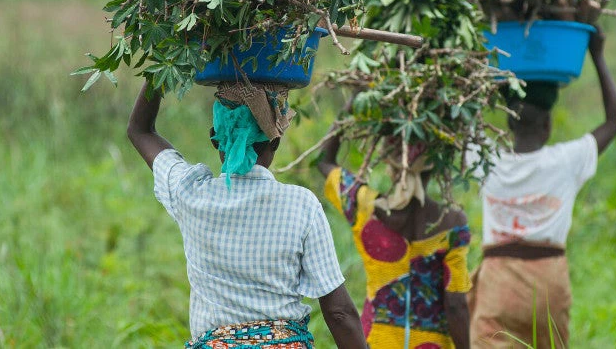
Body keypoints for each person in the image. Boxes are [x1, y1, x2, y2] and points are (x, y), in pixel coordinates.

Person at [126, 79, 366, 349]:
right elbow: (339, 313)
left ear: (215, 139)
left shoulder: (190, 194)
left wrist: (160, 67)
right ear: (275, 141)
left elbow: (140, 130)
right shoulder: (302, 205)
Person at [467, 29, 616, 348]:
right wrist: (597, 54)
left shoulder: (486, 159)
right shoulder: (566, 161)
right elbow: (615, 121)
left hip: (498, 282)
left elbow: (461, 114)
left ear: (509, 122)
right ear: (548, 125)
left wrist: (473, 59)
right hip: (548, 283)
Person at [317, 114, 473, 349]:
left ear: (389, 161)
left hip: (377, 340)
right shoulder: (452, 222)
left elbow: (324, 160)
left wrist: (352, 103)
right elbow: (455, 304)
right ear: (436, 163)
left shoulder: (364, 207)